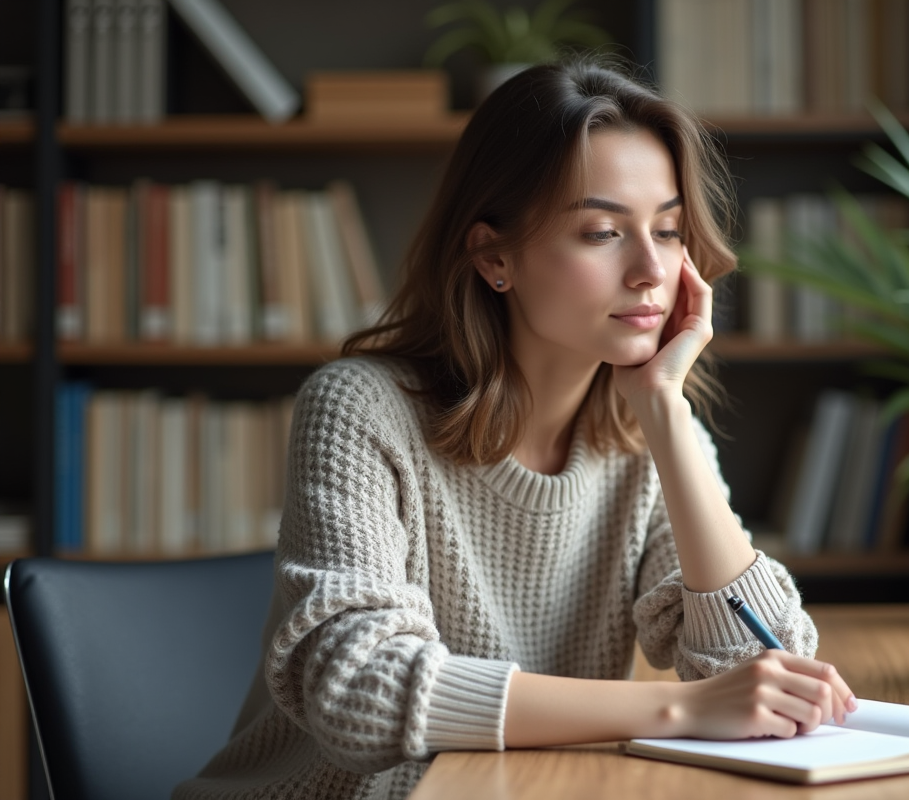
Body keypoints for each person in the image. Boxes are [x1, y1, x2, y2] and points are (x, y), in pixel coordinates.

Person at [174, 58, 854, 800]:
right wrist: (679, 710)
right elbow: (357, 689)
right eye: (602, 232)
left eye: (666, 230)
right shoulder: (360, 410)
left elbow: (767, 667)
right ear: (495, 256)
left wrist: (665, 408)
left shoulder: (652, 431)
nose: (650, 271)